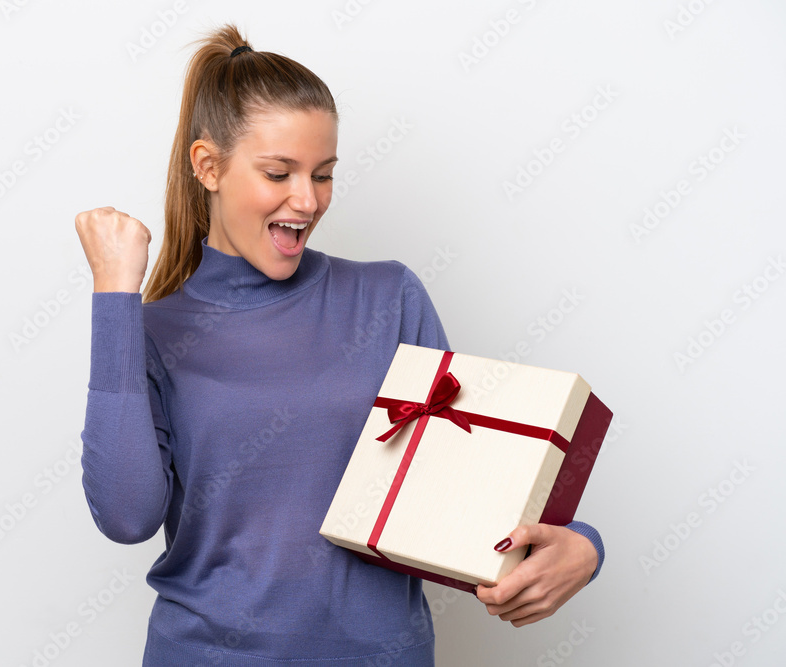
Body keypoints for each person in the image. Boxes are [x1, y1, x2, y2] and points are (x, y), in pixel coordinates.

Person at [75, 23, 604, 666]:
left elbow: (471, 491)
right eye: (279, 172)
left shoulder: (388, 299)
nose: (307, 199)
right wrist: (114, 298)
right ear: (207, 167)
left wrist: (583, 545)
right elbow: (127, 517)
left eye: (323, 174)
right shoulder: (155, 331)